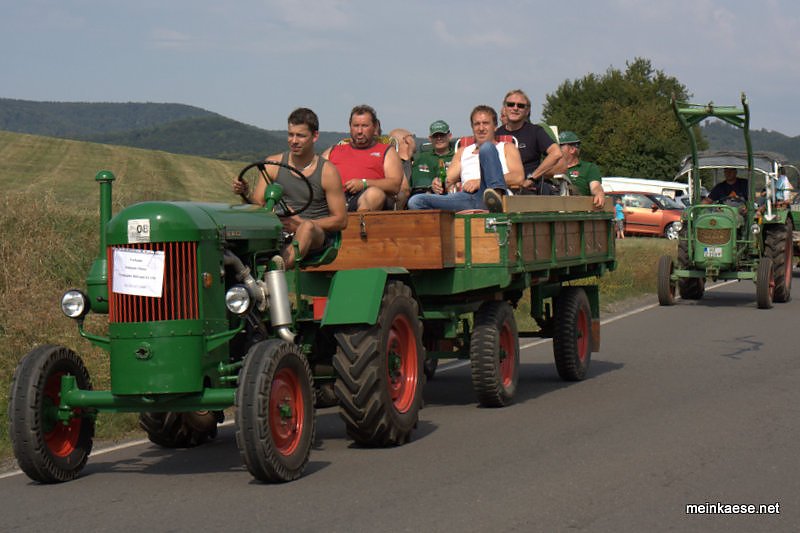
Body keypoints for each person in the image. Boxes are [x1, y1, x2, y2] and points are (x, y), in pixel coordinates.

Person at [232, 107, 347, 268]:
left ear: (315, 136)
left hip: (316, 235)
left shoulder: (327, 171)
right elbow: (258, 207)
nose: (294, 140)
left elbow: (341, 220)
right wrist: (244, 193)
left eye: (300, 135)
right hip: (279, 229)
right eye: (290, 134)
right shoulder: (272, 164)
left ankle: (277, 269)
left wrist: (300, 223)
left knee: (307, 228)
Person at [407, 105, 524, 212]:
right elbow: (448, 179)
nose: (481, 128)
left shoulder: (506, 147)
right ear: (472, 127)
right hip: (467, 198)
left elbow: (518, 177)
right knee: (416, 201)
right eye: (477, 124)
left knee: (487, 148)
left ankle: (494, 199)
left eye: (486, 123)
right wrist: (438, 183)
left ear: (495, 127)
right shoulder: (463, 151)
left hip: (494, 194)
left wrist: (479, 182)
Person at [322, 105, 404, 212]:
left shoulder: (386, 151)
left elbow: (395, 185)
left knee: (374, 193)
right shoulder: (333, 151)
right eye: (356, 126)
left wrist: (364, 183)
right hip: (334, 199)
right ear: (350, 127)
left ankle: (357, 225)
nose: (359, 131)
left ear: (374, 127)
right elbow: (315, 175)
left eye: (365, 126)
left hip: (366, 199)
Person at [495, 89, 564, 194]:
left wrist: (532, 178)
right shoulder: (496, 135)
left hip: (529, 188)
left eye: (520, 106)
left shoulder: (535, 131)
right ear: (504, 108)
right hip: (501, 186)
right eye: (510, 104)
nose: (515, 108)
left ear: (527, 111)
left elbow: (556, 153)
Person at [408, 120, 455, 196]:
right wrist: (431, 187)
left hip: (452, 196)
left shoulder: (458, 157)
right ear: (430, 138)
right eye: (435, 136)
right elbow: (417, 185)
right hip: (426, 196)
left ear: (449, 136)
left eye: (442, 135)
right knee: (414, 201)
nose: (439, 138)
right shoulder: (421, 157)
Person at [559, 131, 605, 208]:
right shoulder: (550, 169)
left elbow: (595, 186)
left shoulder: (588, 168)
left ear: (572, 149)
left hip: (579, 211)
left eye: (560, 146)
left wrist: (599, 193)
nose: (555, 149)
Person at [388, 127, 416, 209]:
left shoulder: (389, 163)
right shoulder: (400, 165)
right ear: (408, 140)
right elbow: (406, 190)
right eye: (412, 138)